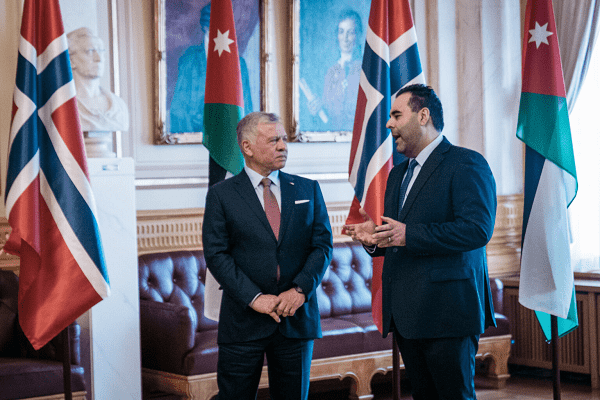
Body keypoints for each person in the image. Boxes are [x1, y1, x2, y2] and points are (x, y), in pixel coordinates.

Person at [343, 84, 497, 399]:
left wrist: (407, 234)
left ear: (423, 116)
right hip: (407, 316)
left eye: (397, 115)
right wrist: (374, 238)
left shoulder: (466, 163)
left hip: (449, 314)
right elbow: (398, 236)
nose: (389, 124)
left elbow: (477, 230)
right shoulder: (398, 174)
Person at [202, 112, 333, 400]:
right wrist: (255, 298)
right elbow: (216, 254)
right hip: (243, 321)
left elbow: (322, 245)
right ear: (247, 147)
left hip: (295, 318)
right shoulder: (221, 195)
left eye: (284, 139)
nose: (283, 146)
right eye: (274, 140)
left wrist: (300, 291)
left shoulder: (307, 188)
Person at [169, 2, 253, 133]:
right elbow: (178, 110)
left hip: (231, 138)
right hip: (195, 136)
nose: (221, 30)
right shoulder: (190, 60)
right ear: (205, 26)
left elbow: (247, 111)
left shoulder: (240, 64)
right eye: (215, 25)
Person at [307, 9, 363, 131]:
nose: (345, 38)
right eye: (341, 32)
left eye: (350, 32)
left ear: (358, 36)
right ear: (337, 35)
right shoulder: (330, 72)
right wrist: (316, 111)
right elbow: (326, 119)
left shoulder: (366, 71)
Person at [67, 27, 129, 132]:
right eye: (89, 51)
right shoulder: (64, 106)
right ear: (71, 61)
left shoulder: (119, 107)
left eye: (101, 51)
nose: (98, 58)